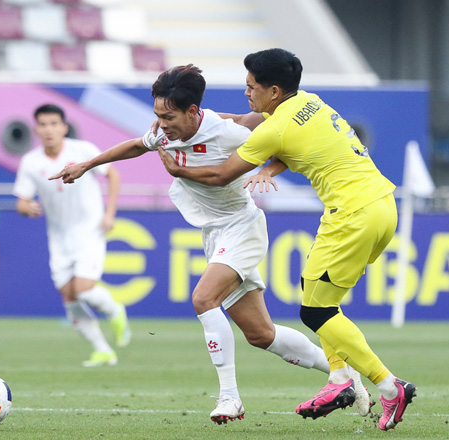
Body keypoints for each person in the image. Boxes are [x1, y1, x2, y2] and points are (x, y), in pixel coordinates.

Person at [49, 65, 370, 424]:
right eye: (157, 115)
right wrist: (87, 165)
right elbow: (137, 146)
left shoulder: (226, 132)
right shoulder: (165, 133)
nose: (160, 124)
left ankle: (229, 398)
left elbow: (286, 140)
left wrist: (268, 169)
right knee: (261, 335)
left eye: (167, 116)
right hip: (215, 235)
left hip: (242, 227)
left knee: (203, 298)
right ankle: (346, 376)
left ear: (192, 111)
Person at [155, 49, 416, 431]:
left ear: (273, 91)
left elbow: (220, 176)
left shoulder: (274, 129)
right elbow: (286, 143)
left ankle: (390, 387)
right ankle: (340, 380)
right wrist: (268, 162)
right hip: (381, 206)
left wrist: (177, 168)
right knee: (319, 298)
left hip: (351, 214)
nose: (247, 94)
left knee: (316, 312)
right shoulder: (310, 101)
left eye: (251, 87)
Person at [13, 103, 130, 367]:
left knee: (84, 290)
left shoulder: (83, 150)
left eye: (54, 124)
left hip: (90, 231)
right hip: (59, 238)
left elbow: (113, 175)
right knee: (69, 298)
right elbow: (21, 200)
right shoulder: (31, 162)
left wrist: (110, 213)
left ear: (64, 127)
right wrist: (26, 207)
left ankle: (115, 310)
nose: (48, 130)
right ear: (36, 129)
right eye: (43, 125)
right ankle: (103, 350)